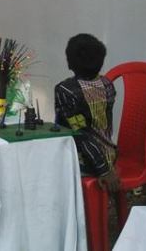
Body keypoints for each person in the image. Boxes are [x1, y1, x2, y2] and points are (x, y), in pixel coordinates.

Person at [54, 33, 120, 192]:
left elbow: (81, 135)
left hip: (86, 160)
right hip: (109, 152)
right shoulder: (107, 84)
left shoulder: (65, 90)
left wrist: (104, 170)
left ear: (70, 63)